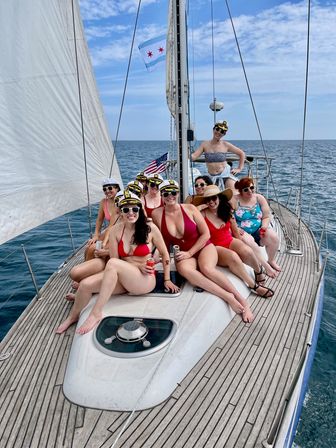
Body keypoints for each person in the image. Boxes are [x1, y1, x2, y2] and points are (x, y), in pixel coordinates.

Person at [56, 191, 180, 335]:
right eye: (126, 209)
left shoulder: (150, 228)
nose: (131, 212)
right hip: (125, 278)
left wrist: (166, 279)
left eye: (134, 209)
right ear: (120, 212)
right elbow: (114, 262)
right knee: (85, 285)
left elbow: (165, 254)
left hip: (144, 280)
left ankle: (96, 312)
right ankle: (72, 317)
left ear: (140, 209)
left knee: (113, 263)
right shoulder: (115, 230)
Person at [152, 179, 254, 323]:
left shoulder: (190, 209)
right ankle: (228, 297)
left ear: (177, 193)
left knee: (207, 268)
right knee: (185, 270)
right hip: (184, 252)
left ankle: (243, 302)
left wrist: (189, 253)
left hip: (203, 246)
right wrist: (162, 270)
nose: (170, 196)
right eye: (166, 193)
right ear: (161, 195)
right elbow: (161, 242)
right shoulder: (157, 214)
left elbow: (205, 234)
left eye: (173, 192)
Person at [194, 185, 274, 297]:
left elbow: (235, 232)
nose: (211, 202)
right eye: (207, 199)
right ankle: (254, 286)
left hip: (229, 240)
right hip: (214, 247)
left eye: (214, 198)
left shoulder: (227, 211)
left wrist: (241, 244)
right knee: (233, 256)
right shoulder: (201, 214)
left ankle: (258, 271)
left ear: (219, 198)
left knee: (247, 251)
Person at [234, 177, 281, 273]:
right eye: (246, 189)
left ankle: (271, 260)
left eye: (251, 188)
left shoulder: (259, 198)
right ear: (240, 191)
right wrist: (236, 228)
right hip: (242, 231)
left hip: (258, 229)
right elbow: (229, 217)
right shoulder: (234, 200)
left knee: (274, 237)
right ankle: (265, 267)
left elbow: (266, 216)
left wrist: (264, 226)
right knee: (250, 241)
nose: (250, 191)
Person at [191, 121, 245, 190]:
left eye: (222, 131)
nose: (219, 132)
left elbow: (241, 153)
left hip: (226, 175)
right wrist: (184, 153)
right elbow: (194, 156)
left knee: (232, 194)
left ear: (224, 134)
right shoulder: (204, 144)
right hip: (212, 177)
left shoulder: (226, 145)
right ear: (213, 129)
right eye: (217, 129)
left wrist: (239, 168)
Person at [85, 178, 120, 261]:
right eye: (105, 189)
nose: (107, 191)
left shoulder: (121, 202)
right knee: (89, 247)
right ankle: (87, 266)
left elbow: (112, 226)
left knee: (94, 249)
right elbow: (100, 220)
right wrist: (96, 235)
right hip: (109, 232)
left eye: (110, 188)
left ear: (117, 188)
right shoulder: (103, 202)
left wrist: (104, 242)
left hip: (119, 233)